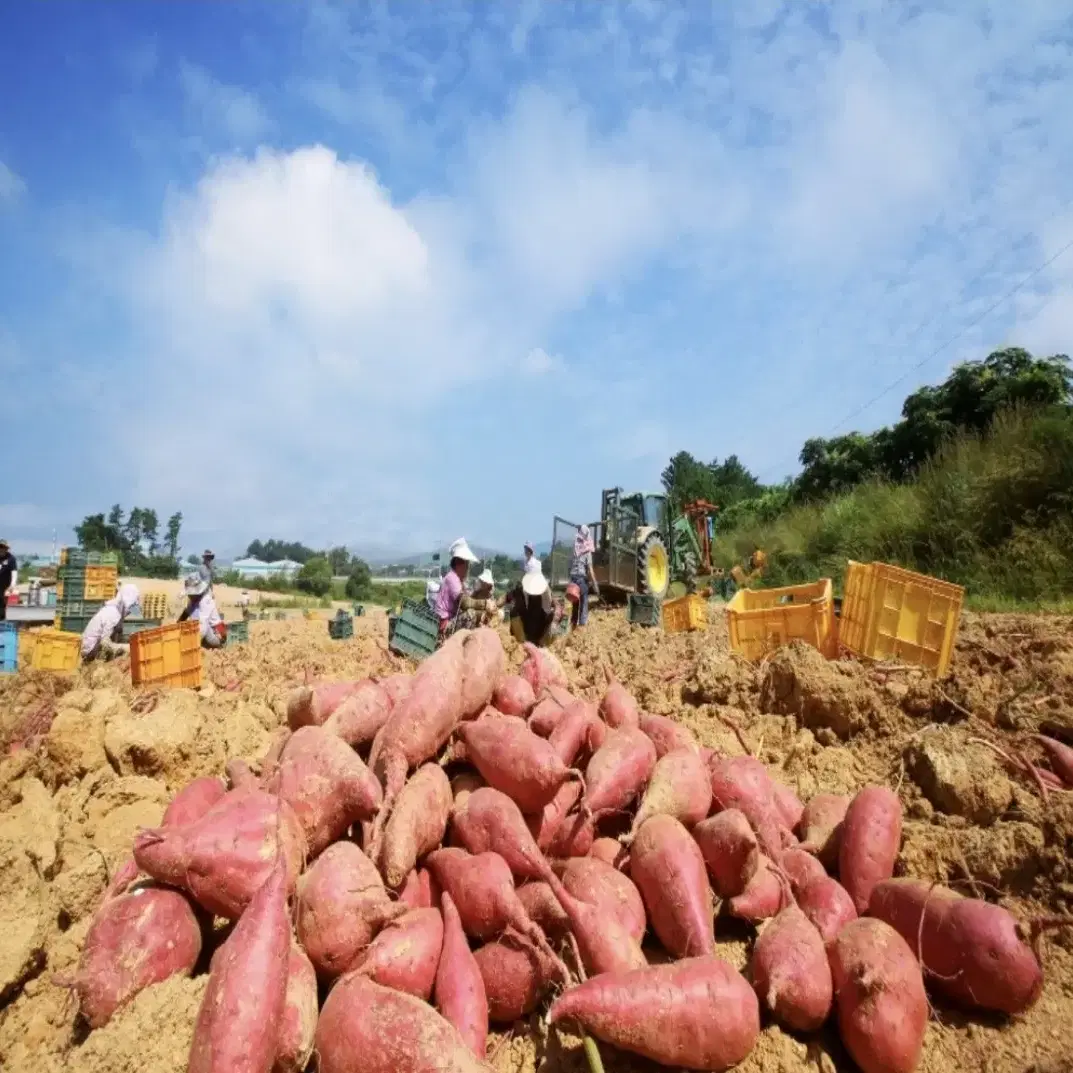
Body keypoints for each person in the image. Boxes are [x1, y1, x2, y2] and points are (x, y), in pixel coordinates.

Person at [433, 538, 493, 640]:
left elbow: (468, 598)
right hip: (445, 624)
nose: (468, 568)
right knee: (471, 614)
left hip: (452, 619)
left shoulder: (459, 581)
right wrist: (485, 604)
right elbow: (464, 603)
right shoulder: (452, 578)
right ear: (460, 564)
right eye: (467, 564)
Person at [81, 583, 140, 661]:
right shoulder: (113, 614)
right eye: (130, 609)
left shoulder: (116, 610)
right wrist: (127, 647)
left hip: (94, 647)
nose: (130, 612)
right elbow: (104, 643)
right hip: (90, 651)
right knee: (128, 652)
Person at [507, 570, 557, 645]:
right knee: (514, 612)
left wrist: (555, 620)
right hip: (524, 633)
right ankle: (521, 645)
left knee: (554, 618)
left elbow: (557, 607)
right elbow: (505, 598)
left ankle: (543, 645)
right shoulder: (520, 592)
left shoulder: (546, 595)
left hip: (541, 634)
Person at [179, 574, 226, 648]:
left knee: (201, 626)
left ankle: (217, 646)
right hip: (205, 631)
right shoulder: (194, 600)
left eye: (190, 594)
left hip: (217, 635)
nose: (189, 596)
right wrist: (177, 626)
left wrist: (188, 644)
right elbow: (186, 613)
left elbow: (202, 627)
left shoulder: (205, 601)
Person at [568, 524, 600, 627]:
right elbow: (590, 569)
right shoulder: (587, 550)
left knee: (575, 602)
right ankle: (582, 625)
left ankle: (573, 624)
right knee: (584, 600)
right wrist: (595, 584)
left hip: (573, 578)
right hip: (581, 579)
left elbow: (570, 563)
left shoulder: (575, 547)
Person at [0, 540, 17, 620]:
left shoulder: (11, 558)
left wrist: (12, 586)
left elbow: (14, 573)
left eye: (3, 547)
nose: (1, 549)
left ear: (6, 549)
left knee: (4, 604)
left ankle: (3, 620)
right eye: (0, 547)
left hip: (6, 586)